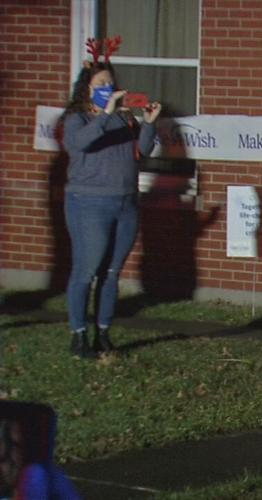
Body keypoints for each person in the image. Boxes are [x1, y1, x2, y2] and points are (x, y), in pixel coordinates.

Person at [61, 38, 161, 359]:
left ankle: (103, 332)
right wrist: (105, 113)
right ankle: (79, 337)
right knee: (86, 271)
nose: (108, 87)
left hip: (126, 203)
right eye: (101, 83)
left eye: (110, 83)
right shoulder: (78, 119)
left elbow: (141, 152)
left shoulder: (122, 118)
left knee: (112, 273)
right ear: (87, 89)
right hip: (88, 203)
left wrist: (148, 124)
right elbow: (80, 144)